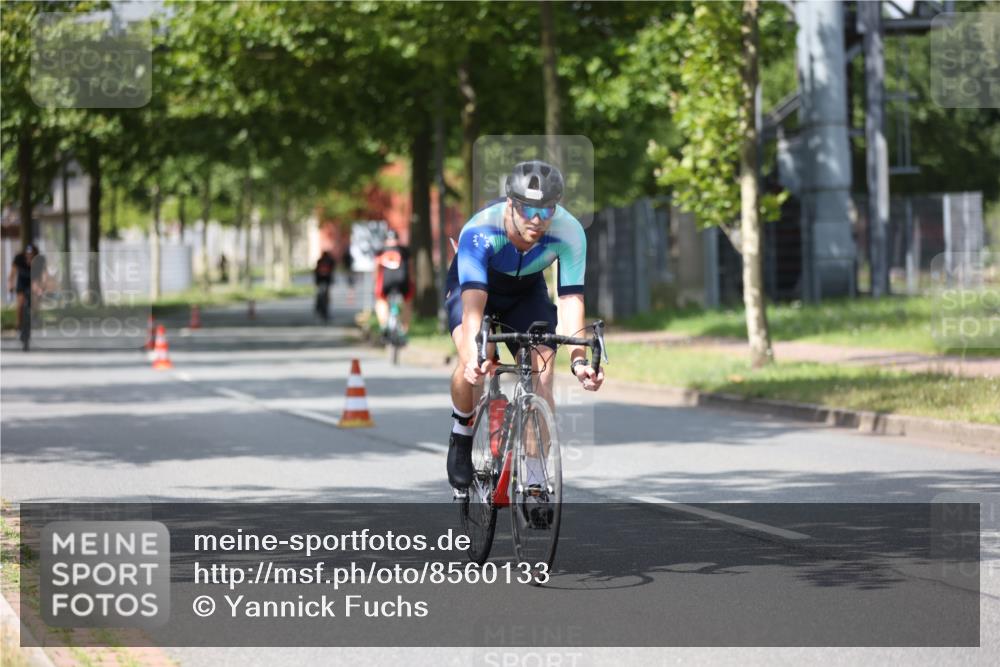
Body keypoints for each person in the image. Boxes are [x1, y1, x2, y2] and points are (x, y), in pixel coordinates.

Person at [444, 160, 604, 493]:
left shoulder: (569, 231)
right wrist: (475, 354)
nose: (536, 219)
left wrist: (579, 362)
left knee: (542, 371)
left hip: (526, 291)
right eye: (528, 209)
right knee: (477, 358)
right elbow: (473, 307)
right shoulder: (480, 230)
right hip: (475, 287)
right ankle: (461, 432)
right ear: (510, 204)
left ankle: (534, 479)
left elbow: (570, 299)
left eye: (546, 211)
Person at [373, 230, 413, 339]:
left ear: (386, 240)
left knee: (381, 300)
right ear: (397, 239)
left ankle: (383, 325)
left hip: (386, 282)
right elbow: (410, 268)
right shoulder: (404, 250)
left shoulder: (381, 250)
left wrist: (375, 281)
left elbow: (377, 268)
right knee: (408, 303)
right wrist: (411, 281)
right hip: (402, 281)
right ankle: (404, 330)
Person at [7, 243, 36, 333]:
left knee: (35, 301)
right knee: (20, 303)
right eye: (28, 254)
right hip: (22, 283)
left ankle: (34, 319)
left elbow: (43, 274)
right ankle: (19, 323)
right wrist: (10, 285)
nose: (29, 256)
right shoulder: (19, 258)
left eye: (31, 254)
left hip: (33, 281)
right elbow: (12, 274)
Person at [314, 250, 336, 321]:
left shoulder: (320, 261)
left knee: (320, 294)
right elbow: (332, 270)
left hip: (321, 280)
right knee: (325, 295)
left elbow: (316, 271)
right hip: (326, 281)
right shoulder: (330, 261)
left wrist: (316, 281)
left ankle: (318, 307)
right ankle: (323, 308)